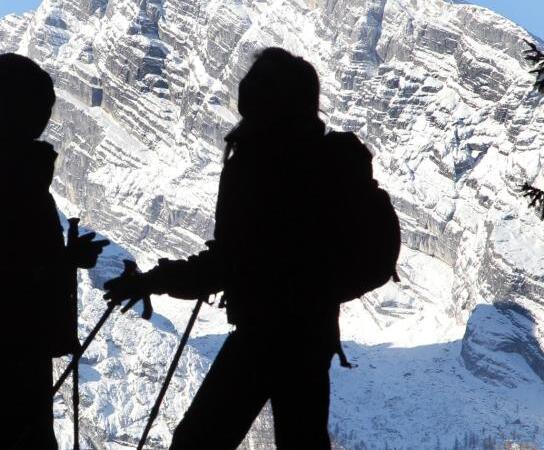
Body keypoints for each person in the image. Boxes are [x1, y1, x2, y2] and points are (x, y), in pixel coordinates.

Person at [104, 48, 383, 450]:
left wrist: (156, 280)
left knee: (199, 440)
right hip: (311, 330)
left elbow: (229, 261)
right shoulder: (315, 157)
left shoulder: (259, 162)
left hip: (265, 331)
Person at [0, 53, 107, 450]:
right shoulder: (10, 172)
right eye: (42, 106)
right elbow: (8, 263)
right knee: (19, 437)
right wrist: (66, 261)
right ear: (24, 106)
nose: (46, 117)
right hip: (13, 337)